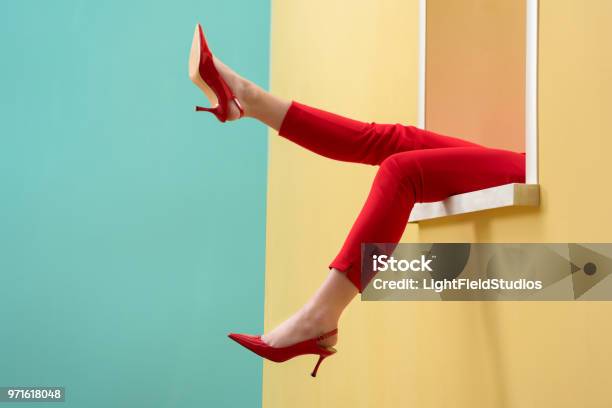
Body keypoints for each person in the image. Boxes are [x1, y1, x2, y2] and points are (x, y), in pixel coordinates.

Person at [189, 24, 526, 377]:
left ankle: (322, 314)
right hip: (537, 155)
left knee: (402, 171)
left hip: (558, 166)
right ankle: (250, 99)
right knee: (391, 139)